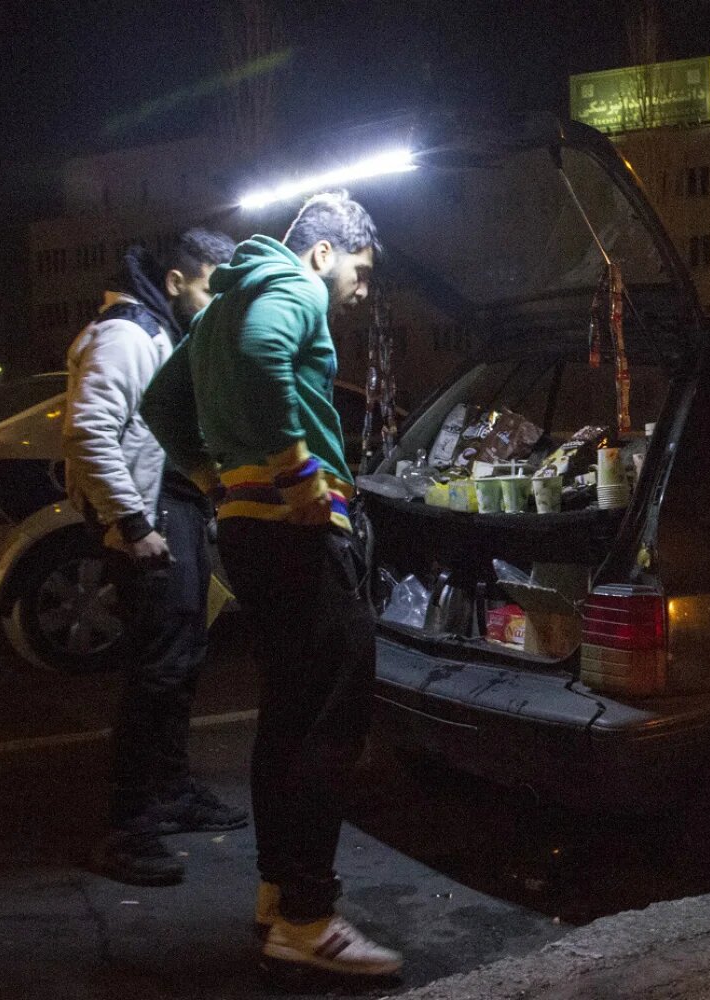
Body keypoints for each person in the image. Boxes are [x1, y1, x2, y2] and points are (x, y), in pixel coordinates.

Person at [142, 191, 400, 979]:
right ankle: (308, 918)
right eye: (358, 273)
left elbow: (162, 403)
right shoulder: (288, 288)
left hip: (248, 534)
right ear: (323, 254)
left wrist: (218, 482)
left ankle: (278, 898)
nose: (360, 294)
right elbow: (263, 359)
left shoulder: (221, 306)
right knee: (330, 720)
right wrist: (301, 482)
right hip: (297, 535)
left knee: (287, 718)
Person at [63, 230, 248, 887]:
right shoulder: (128, 334)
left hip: (178, 514)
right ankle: (128, 827)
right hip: (152, 524)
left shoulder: (160, 331)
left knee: (180, 662)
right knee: (156, 672)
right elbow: (87, 429)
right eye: (208, 286)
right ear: (175, 280)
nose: (214, 301)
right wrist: (132, 521)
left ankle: (172, 794)